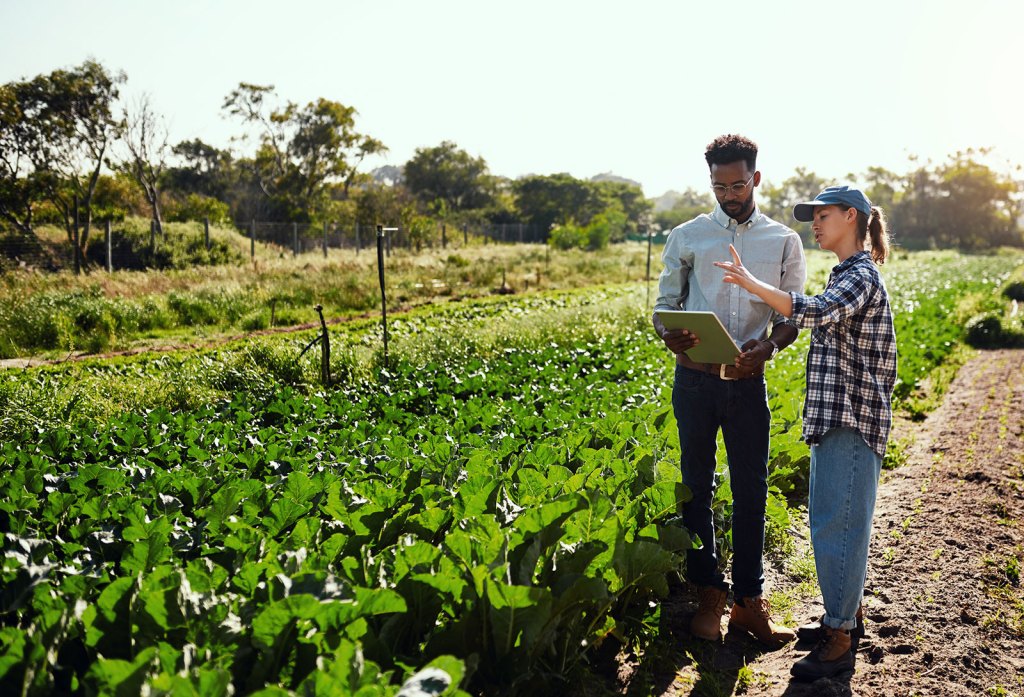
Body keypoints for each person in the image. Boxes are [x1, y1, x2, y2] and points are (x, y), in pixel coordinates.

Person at [714, 185, 897, 679]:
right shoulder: (847, 273)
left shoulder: (861, 276)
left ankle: (840, 636)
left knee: (839, 527)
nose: (814, 223)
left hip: (852, 420)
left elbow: (811, 312)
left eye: (824, 215)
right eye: (811, 216)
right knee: (831, 523)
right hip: (835, 419)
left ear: (853, 218)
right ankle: (844, 616)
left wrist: (753, 284)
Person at [653, 134, 806, 647]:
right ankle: (708, 597)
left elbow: (792, 312)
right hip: (694, 382)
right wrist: (669, 332)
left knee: (751, 489)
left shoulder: (782, 240)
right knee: (696, 486)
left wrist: (768, 348)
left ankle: (747, 603)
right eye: (719, 185)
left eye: (738, 184)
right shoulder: (688, 235)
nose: (729, 194)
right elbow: (664, 306)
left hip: (747, 384)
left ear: (756, 179)